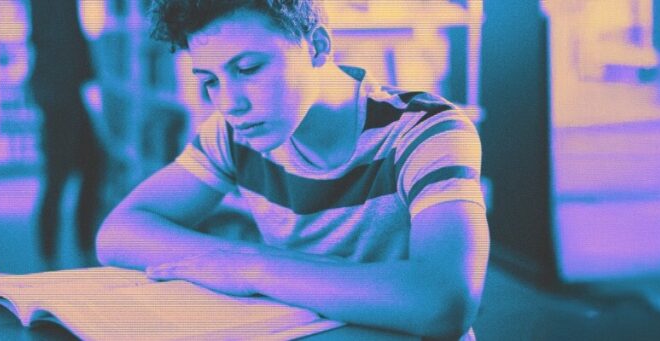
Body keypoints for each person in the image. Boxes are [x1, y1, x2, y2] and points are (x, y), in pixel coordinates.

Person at [95, 1, 489, 339]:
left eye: (248, 69)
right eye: (210, 81)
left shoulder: (426, 131)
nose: (229, 104)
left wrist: (253, 268)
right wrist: (243, 260)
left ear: (317, 46)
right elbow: (117, 233)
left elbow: (443, 302)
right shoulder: (236, 134)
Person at [27, 0, 107, 268]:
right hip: (60, 92)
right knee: (58, 175)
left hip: (64, 89)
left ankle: (79, 247)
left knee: (92, 166)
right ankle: (51, 256)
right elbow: (58, 37)